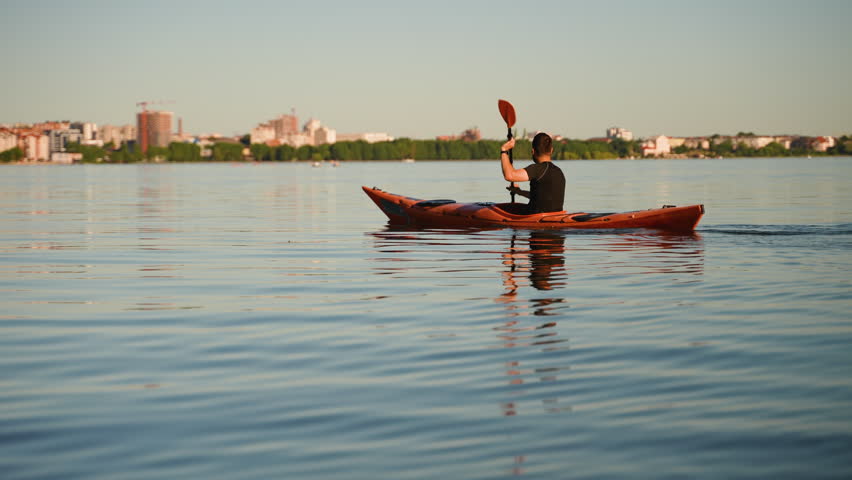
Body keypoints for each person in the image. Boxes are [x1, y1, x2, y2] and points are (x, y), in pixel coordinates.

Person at [500, 132, 565, 214]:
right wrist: (520, 192)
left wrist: (504, 150)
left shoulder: (537, 169)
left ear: (533, 151)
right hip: (558, 216)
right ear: (551, 150)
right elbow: (542, 198)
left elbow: (509, 175)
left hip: (536, 219)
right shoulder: (559, 172)